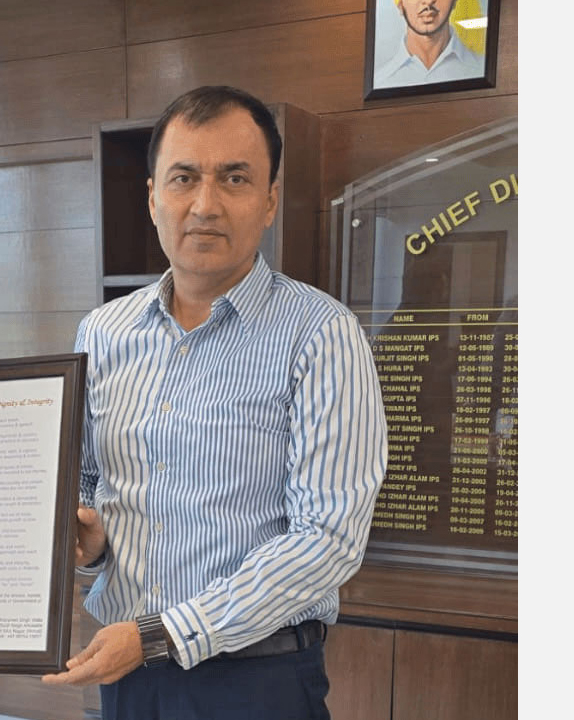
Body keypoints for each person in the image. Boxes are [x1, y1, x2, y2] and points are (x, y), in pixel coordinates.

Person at [41, 86, 388, 719]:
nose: (205, 204)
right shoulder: (103, 332)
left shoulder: (321, 334)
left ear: (269, 200)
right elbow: (89, 480)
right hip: (130, 672)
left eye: (234, 178)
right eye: (184, 178)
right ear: (153, 196)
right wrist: (89, 539)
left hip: (257, 679)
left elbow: (328, 539)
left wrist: (166, 634)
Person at [374, 0, 485, 89]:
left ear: (455, 2)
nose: (428, 1)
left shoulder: (481, 68)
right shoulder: (380, 80)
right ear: (400, 5)